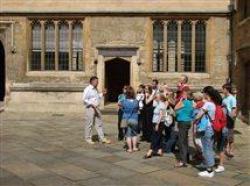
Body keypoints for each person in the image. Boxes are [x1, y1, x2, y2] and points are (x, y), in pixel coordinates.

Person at [195, 86, 220, 178]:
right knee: (209, 147)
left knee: (206, 149)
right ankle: (209, 166)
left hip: (207, 128)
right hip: (211, 128)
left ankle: (209, 171)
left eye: (203, 92)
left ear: (206, 94)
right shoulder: (213, 104)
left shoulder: (208, 104)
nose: (203, 94)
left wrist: (195, 120)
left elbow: (199, 115)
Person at [82, 76, 111, 144]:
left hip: (96, 108)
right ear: (92, 81)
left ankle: (102, 138)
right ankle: (88, 138)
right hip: (90, 108)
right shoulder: (88, 89)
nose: (97, 83)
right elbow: (84, 99)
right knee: (89, 123)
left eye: (97, 82)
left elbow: (96, 97)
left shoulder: (95, 89)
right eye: (96, 82)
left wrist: (102, 94)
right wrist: (91, 104)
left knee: (99, 123)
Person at [174, 87, 194, 168]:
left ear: (185, 94)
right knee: (185, 141)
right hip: (187, 122)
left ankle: (183, 161)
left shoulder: (184, 102)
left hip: (183, 122)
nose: (181, 94)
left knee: (182, 142)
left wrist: (181, 100)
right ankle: (186, 158)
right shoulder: (191, 102)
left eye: (183, 93)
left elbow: (175, 108)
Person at [144, 93, 167, 158]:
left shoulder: (162, 105)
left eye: (156, 97)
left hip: (159, 123)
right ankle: (159, 150)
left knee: (155, 137)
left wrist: (157, 124)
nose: (155, 98)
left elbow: (161, 115)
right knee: (158, 136)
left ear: (160, 98)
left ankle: (150, 151)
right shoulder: (159, 104)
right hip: (156, 122)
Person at [120, 86, 140, 153]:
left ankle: (129, 149)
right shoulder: (136, 102)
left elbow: (121, 108)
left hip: (125, 118)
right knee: (134, 134)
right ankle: (134, 147)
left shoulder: (124, 101)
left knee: (127, 135)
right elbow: (137, 109)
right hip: (134, 118)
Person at [222, 84, 237, 156]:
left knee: (230, 135)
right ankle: (226, 149)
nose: (222, 90)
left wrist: (231, 118)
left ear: (227, 90)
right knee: (225, 134)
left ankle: (231, 151)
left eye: (223, 89)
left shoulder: (232, 98)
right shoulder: (224, 98)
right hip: (224, 118)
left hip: (229, 118)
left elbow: (233, 109)